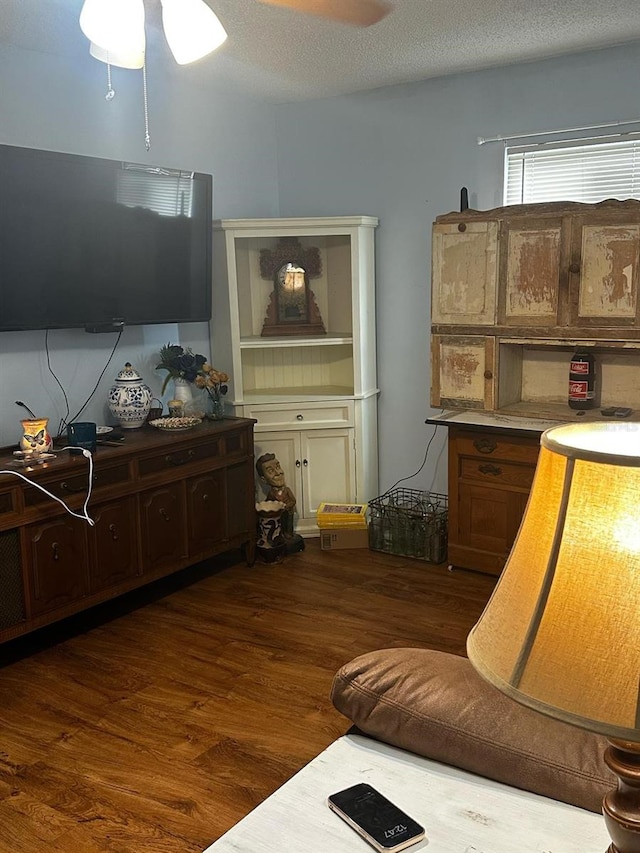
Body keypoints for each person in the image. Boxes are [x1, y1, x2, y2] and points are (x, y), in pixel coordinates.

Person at [255, 452, 304, 552]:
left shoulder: (287, 490)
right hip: (277, 517)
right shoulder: (272, 494)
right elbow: (268, 506)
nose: (278, 473)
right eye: (270, 471)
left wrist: (287, 506)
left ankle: (288, 534)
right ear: (263, 479)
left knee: (288, 524)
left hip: (288, 512)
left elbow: (293, 500)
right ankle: (279, 536)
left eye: (278, 467)